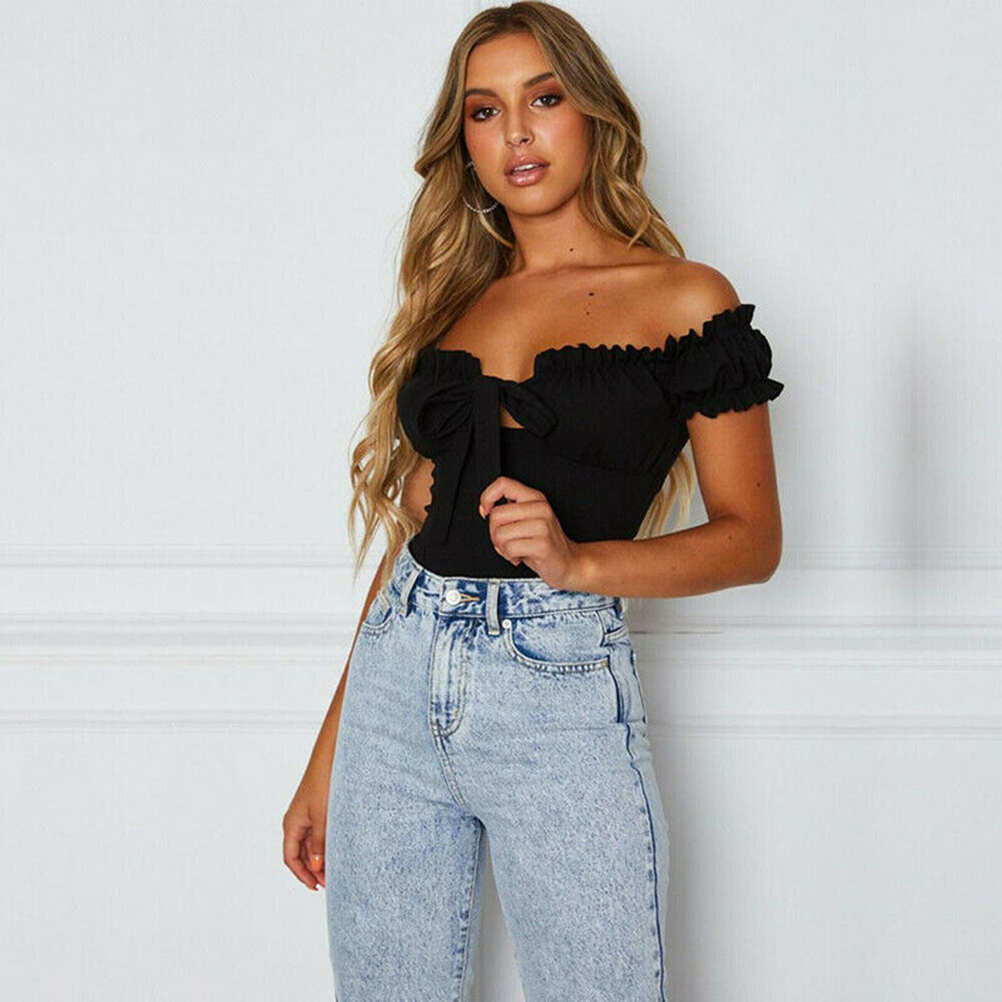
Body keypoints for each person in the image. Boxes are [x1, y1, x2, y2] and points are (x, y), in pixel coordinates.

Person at [283, 3, 785, 999]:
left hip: (555, 691)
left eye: (543, 99)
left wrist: (580, 563)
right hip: (396, 684)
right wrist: (326, 757)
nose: (515, 133)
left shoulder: (685, 299)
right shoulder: (455, 302)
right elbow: (412, 543)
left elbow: (753, 539)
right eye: (484, 111)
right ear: (463, 141)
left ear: (594, 114)